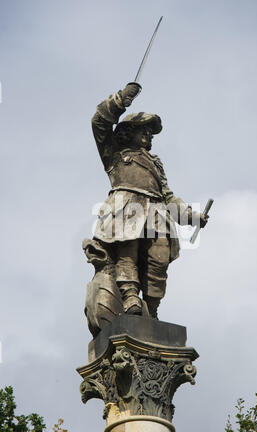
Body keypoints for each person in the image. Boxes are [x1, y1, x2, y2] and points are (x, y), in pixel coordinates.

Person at [91, 82, 208, 319]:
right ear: (128, 132)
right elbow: (99, 122)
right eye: (142, 129)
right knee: (127, 253)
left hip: (156, 213)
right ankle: (130, 295)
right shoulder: (113, 153)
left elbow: (169, 197)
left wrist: (192, 216)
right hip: (126, 208)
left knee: (159, 258)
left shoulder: (155, 164)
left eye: (149, 132)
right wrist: (121, 99)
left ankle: (151, 310)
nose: (147, 135)